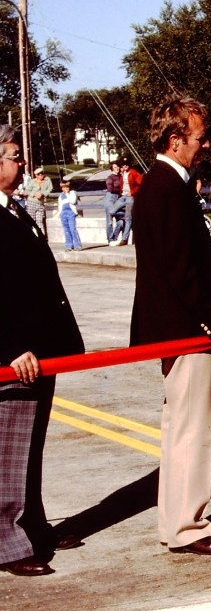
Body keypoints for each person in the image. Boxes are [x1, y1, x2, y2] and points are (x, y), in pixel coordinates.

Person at [130, 96, 211, 555]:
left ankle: (177, 523)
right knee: (192, 432)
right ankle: (188, 528)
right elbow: (181, 269)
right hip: (186, 329)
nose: (207, 144)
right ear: (176, 140)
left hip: (178, 328)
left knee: (181, 429)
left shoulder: (164, 184)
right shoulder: (167, 188)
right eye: (200, 138)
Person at [0, 124, 84, 576]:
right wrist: (10, 349)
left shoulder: (15, 209)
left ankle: (33, 525)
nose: (21, 164)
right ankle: (8, 544)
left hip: (40, 352)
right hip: (15, 357)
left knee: (29, 450)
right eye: (14, 156)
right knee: (8, 452)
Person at [22, 167, 52, 239]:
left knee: (40, 220)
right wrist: (34, 194)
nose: (41, 175)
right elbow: (26, 191)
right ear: (36, 175)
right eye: (38, 174)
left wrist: (43, 194)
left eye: (42, 173)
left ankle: (41, 237)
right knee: (31, 220)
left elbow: (50, 188)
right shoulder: (32, 181)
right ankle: (31, 236)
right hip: (31, 202)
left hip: (40, 203)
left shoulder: (47, 180)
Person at [102, 162, 126, 245]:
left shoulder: (121, 176)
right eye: (115, 167)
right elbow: (111, 189)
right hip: (110, 198)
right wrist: (121, 191)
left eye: (118, 166)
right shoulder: (110, 178)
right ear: (112, 168)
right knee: (109, 221)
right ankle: (110, 240)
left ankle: (114, 237)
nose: (117, 168)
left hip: (119, 198)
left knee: (122, 220)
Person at [57, 179, 83, 251]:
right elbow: (60, 205)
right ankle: (69, 245)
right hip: (63, 213)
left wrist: (67, 194)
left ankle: (77, 245)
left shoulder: (72, 193)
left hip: (70, 212)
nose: (65, 189)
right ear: (62, 188)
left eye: (67, 187)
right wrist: (60, 213)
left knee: (72, 229)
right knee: (66, 230)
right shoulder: (61, 196)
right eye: (64, 187)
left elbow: (73, 201)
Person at [120, 163, 143, 245]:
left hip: (130, 197)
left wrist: (132, 192)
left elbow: (140, 183)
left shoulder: (133, 172)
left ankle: (124, 239)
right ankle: (124, 216)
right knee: (111, 211)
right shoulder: (122, 173)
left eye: (126, 164)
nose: (125, 166)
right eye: (123, 165)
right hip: (122, 197)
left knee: (128, 218)